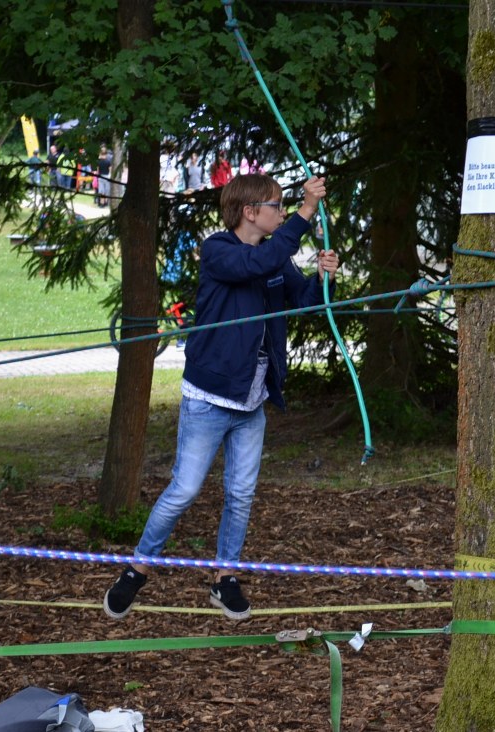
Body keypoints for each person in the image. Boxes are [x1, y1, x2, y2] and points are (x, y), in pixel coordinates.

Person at [103, 174, 339, 621]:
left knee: (241, 494)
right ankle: (136, 569)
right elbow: (255, 265)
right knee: (184, 490)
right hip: (209, 398)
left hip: (251, 402)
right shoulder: (219, 251)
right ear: (250, 212)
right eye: (277, 205)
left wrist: (321, 278)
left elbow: (301, 300)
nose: (283, 211)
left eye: (288, 206)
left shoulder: (274, 260)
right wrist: (307, 213)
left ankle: (223, 577)